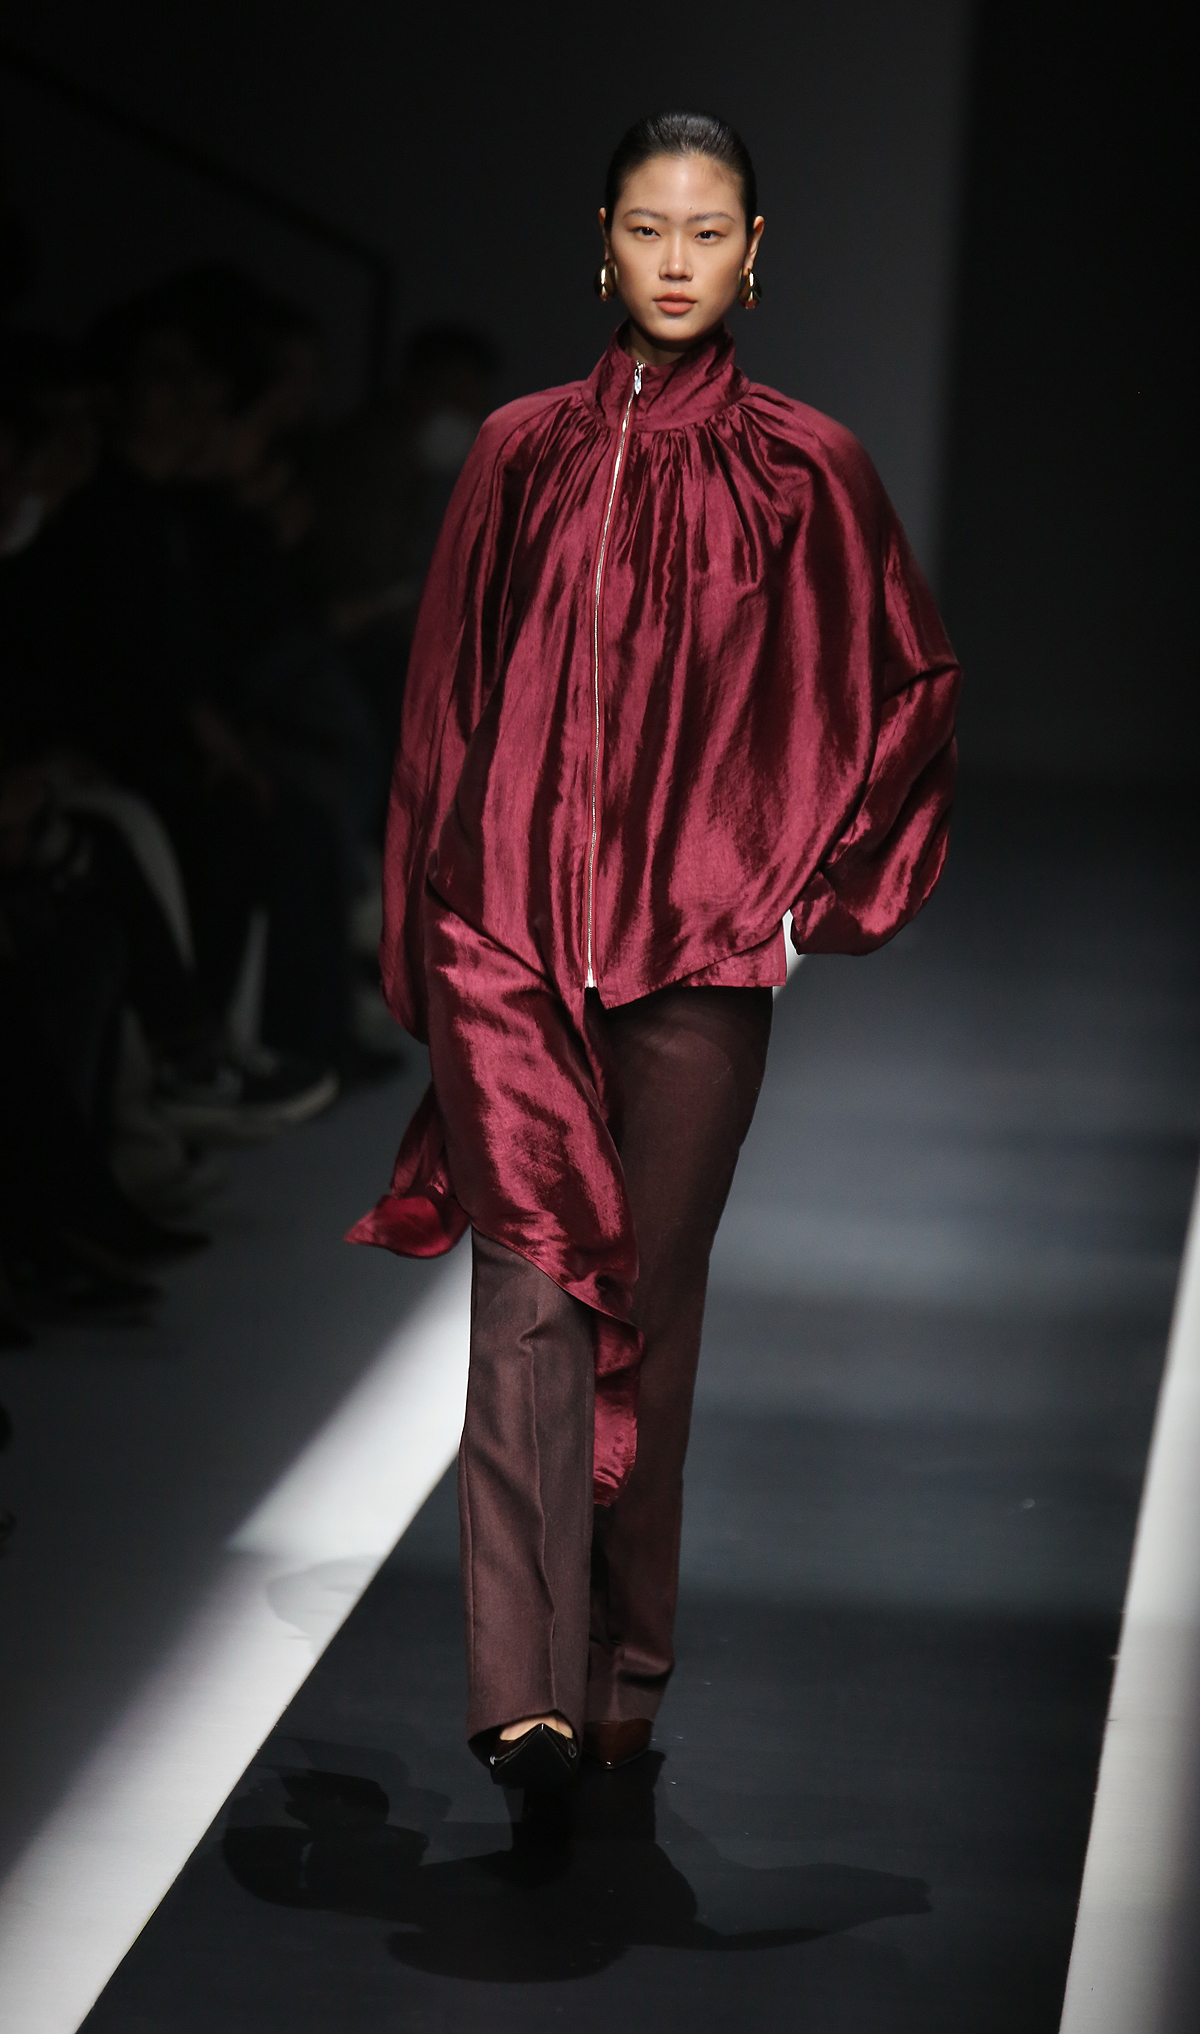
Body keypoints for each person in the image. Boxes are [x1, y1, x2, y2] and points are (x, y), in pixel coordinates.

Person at [351, 112, 961, 1786]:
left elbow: (908, 685)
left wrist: (810, 894)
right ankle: (525, 1694)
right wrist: (425, 932)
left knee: (653, 1308)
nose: (675, 261)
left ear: (754, 252)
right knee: (529, 1290)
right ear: (600, 242)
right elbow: (442, 706)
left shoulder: (809, 468)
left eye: (706, 232)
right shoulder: (516, 452)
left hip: (697, 958)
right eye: (646, 228)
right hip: (507, 939)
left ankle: (622, 1659)